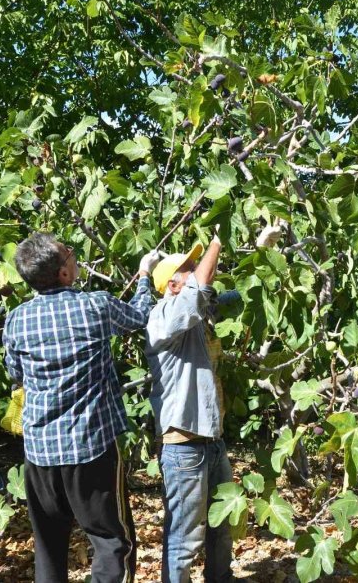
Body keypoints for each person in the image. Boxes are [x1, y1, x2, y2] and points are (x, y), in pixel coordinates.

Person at [2, 232, 162, 583]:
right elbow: (140, 316)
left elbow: (16, 375)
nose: (75, 256)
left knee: (48, 549)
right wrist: (145, 275)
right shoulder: (95, 305)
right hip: (90, 450)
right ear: (63, 273)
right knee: (111, 542)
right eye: (69, 253)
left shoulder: (16, 319)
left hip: (40, 454)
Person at [145, 233, 234, 583]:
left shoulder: (193, 319)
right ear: (171, 284)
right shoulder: (164, 316)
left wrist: (261, 249)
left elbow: (225, 298)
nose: (195, 269)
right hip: (183, 446)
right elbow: (201, 287)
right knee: (185, 538)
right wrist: (217, 239)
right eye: (187, 268)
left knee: (221, 528)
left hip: (212, 441)